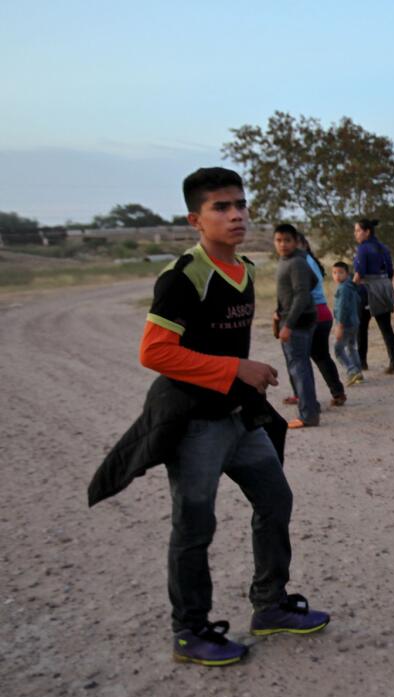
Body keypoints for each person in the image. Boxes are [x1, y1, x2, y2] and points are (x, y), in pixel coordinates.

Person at [87, 167, 329, 667]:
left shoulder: (245, 269)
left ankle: (270, 605)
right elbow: (155, 352)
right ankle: (189, 631)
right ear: (195, 218)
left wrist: (240, 379)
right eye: (221, 207)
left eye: (240, 204)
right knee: (195, 526)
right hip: (194, 422)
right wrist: (236, 368)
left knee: (276, 501)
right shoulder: (183, 276)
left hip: (238, 417)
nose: (236, 214)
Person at [274, 224, 320, 429]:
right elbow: (308, 282)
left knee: (298, 367)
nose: (283, 244)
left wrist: (288, 324)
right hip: (294, 318)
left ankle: (308, 415)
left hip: (298, 322)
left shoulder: (297, 262)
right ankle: (311, 406)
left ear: (295, 241)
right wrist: (279, 309)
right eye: (279, 240)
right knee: (301, 365)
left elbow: (302, 293)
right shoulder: (289, 260)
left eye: (287, 240)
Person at [297, 233, 346, 407]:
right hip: (323, 312)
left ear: (303, 244)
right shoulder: (310, 260)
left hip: (311, 314)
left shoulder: (301, 262)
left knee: (301, 359)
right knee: (321, 355)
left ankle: (305, 398)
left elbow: (301, 293)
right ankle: (338, 392)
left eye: (292, 242)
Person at [352, 217, 394, 374]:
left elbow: (359, 274)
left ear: (367, 232)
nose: (356, 234)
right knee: (386, 328)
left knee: (362, 327)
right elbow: (391, 272)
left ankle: (362, 362)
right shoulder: (383, 247)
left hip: (368, 290)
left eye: (358, 230)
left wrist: (350, 289)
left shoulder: (363, 248)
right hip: (385, 286)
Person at [331, 261, 364, 385]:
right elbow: (358, 301)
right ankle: (358, 372)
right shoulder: (351, 286)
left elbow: (342, 307)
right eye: (334, 273)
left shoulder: (343, 288)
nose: (337, 276)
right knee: (351, 347)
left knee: (338, 349)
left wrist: (340, 325)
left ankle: (352, 370)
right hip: (354, 323)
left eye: (340, 272)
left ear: (347, 273)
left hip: (346, 324)